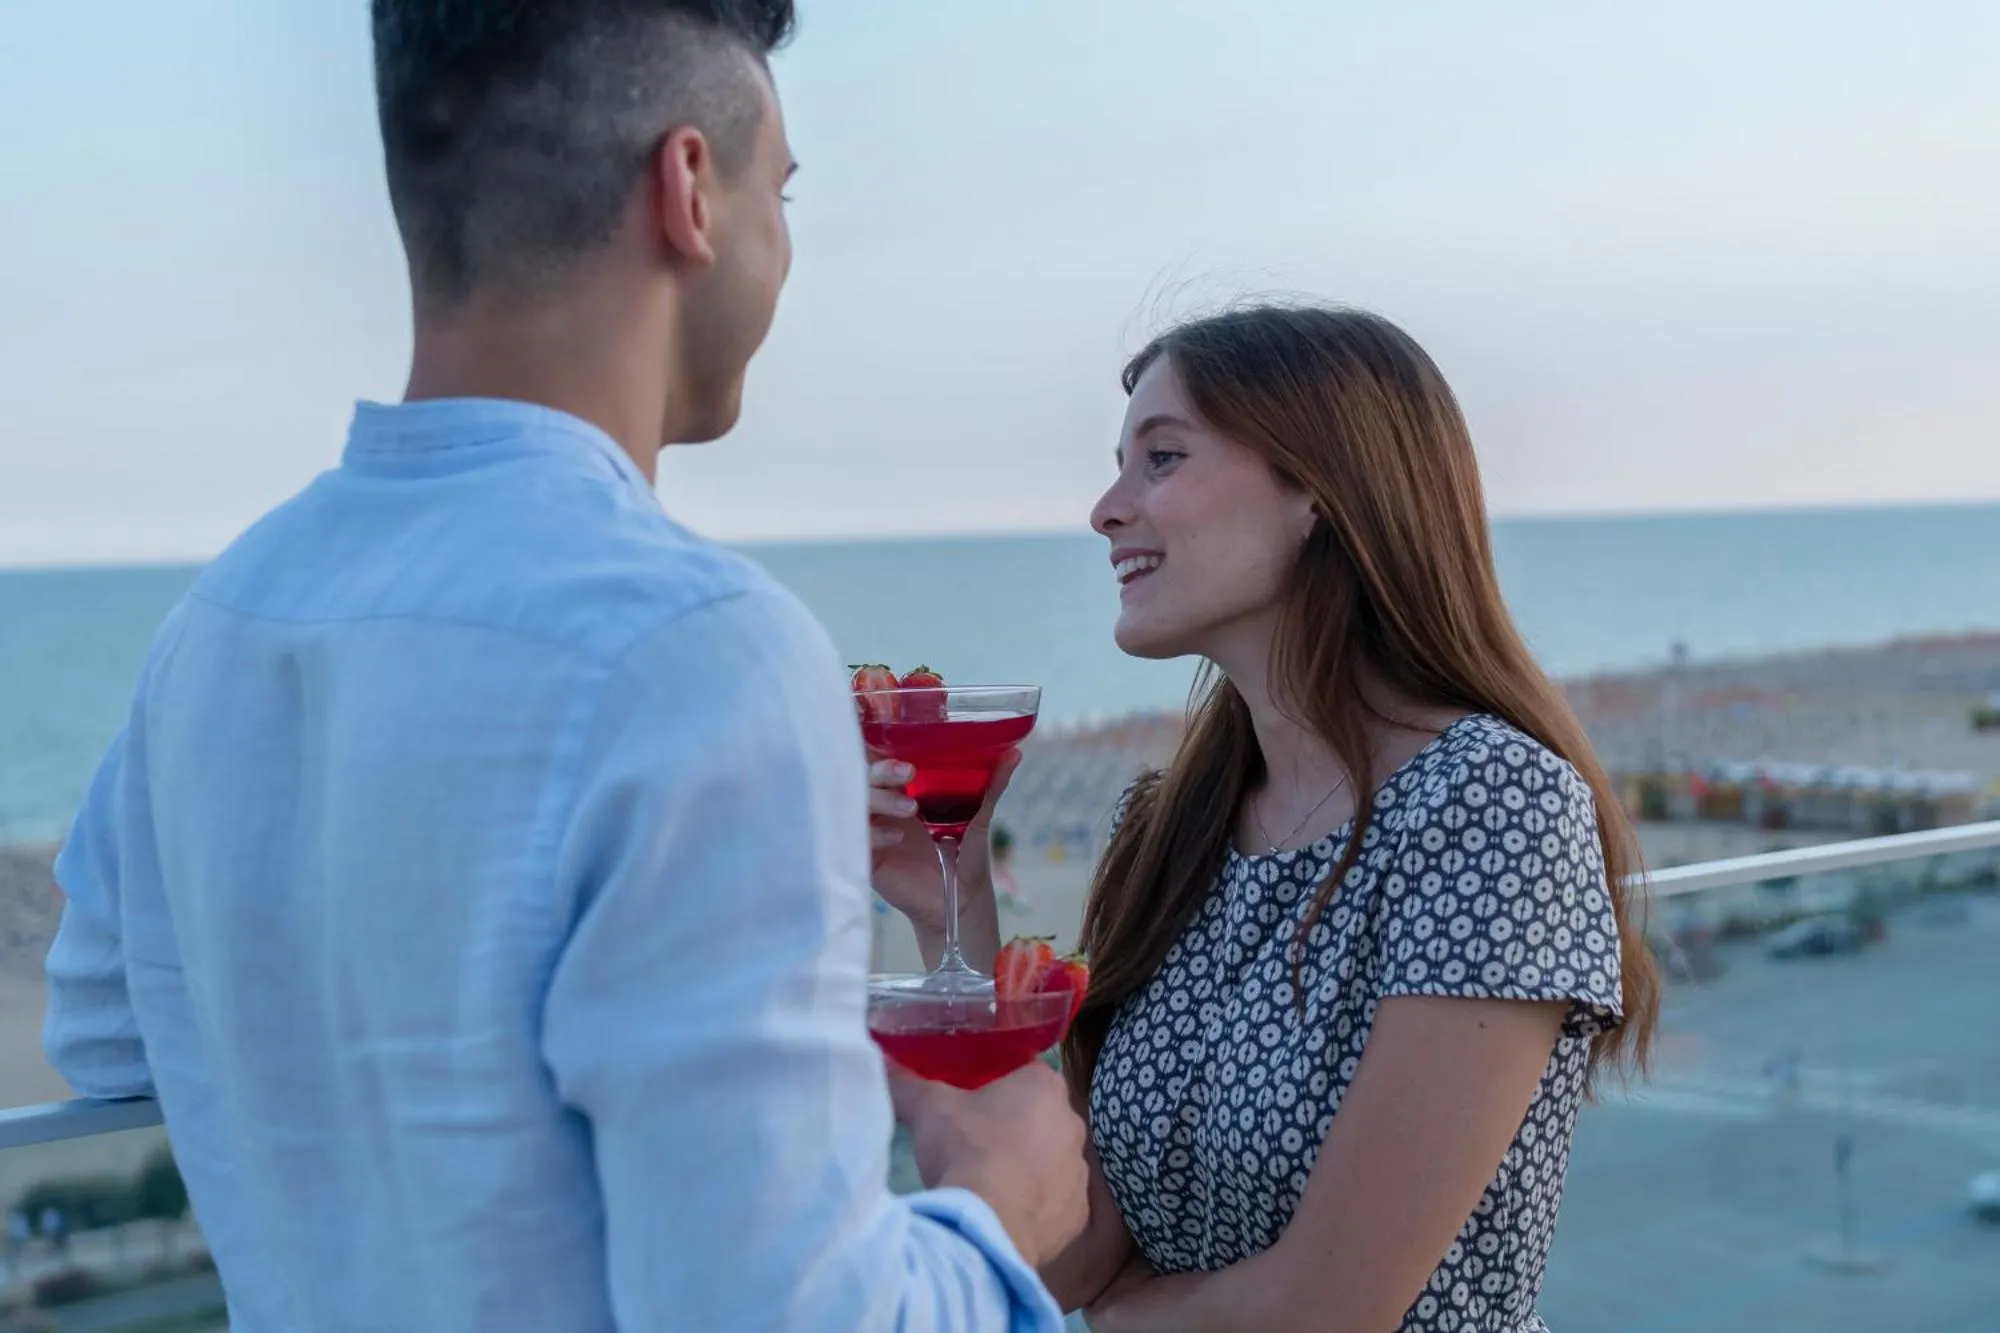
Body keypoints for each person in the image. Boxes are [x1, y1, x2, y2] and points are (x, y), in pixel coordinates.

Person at [40, 4, 1084, 1329]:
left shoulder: (216, 627)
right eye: (785, 188)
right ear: (690, 189)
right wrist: (1001, 1212)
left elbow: (106, 1037)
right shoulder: (697, 650)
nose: (786, 241)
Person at [870, 303, 1661, 1331]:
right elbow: (1063, 1251)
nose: (1105, 508)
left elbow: (1328, 1307)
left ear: (1319, 490)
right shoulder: (1170, 828)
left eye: (1160, 458)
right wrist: (951, 900)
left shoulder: (1490, 807)